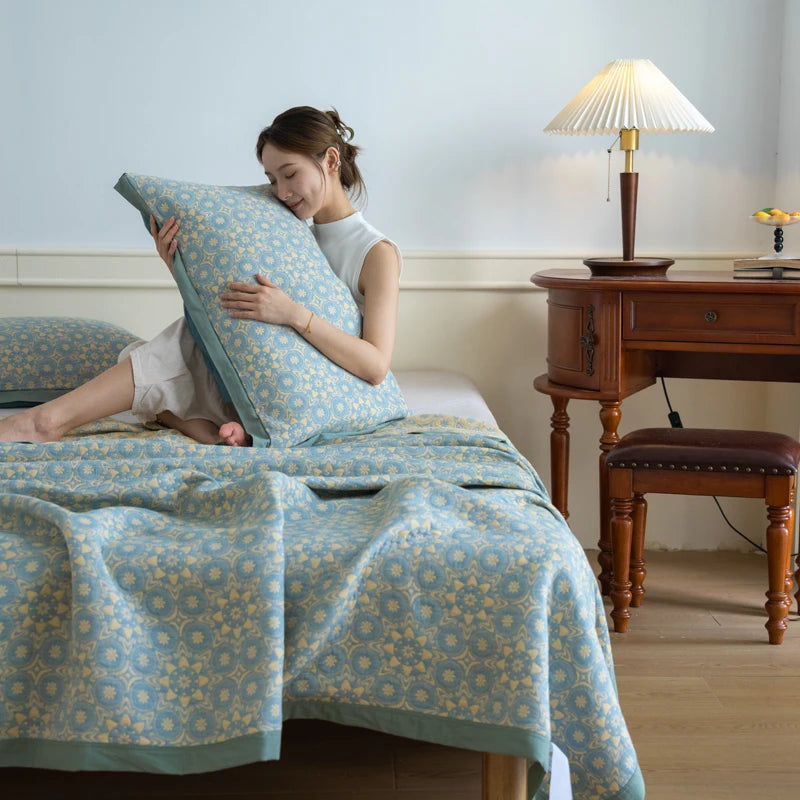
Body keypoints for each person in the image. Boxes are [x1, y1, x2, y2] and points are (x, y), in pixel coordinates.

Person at [0, 106, 402, 446]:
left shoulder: (376, 253)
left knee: (175, 353)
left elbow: (376, 366)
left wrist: (292, 314)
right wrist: (177, 265)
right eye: (271, 179)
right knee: (177, 347)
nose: (281, 191)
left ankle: (50, 420)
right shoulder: (285, 232)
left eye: (290, 174)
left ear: (331, 161)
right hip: (258, 372)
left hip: (312, 393)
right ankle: (202, 426)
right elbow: (233, 308)